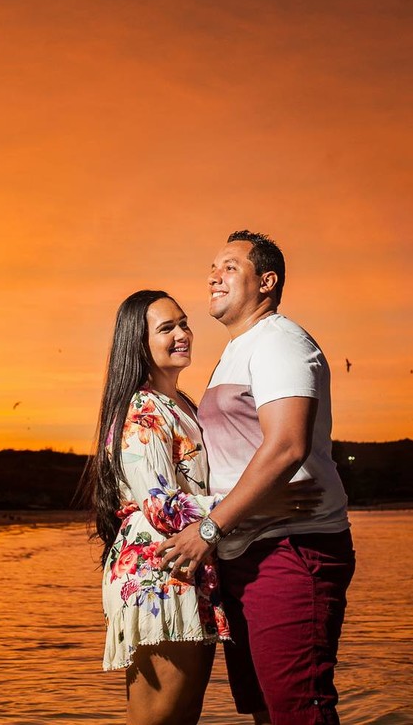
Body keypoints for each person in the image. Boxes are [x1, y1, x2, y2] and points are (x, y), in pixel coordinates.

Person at [88, 289, 315, 725]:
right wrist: (262, 500)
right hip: (158, 573)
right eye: (166, 328)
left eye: (184, 323)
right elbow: (161, 508)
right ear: (138, 343)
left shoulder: (183, 404)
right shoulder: (142, 409)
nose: (183, 334)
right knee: (161, 719)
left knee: (183, 716)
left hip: (188, 569)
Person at [158, 231, 355, 725]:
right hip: (243, 550)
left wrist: (209, 528)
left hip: (291, 550)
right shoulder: (236, 351)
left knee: (299, 711)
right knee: (265, 711)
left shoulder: (282, 341)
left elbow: (287, 445)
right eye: (212, 267)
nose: (213, 276)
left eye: (229, 266)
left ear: (267, 281)